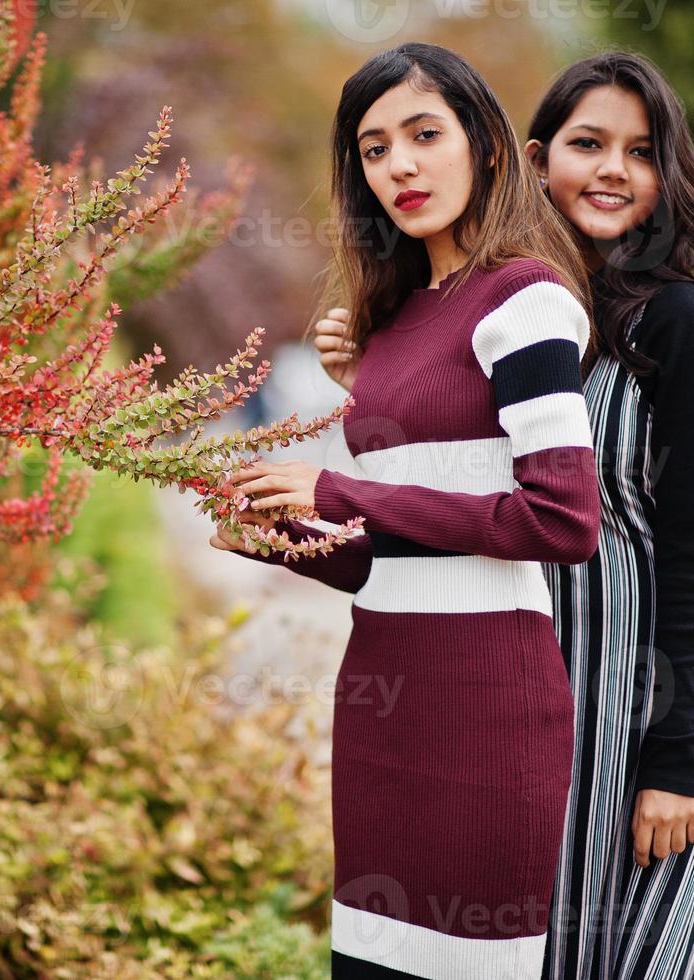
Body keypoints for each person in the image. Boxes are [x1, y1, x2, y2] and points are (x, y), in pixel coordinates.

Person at [210, 42, 600, 978]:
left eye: (424, 135)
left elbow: (560, 521)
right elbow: (386, 550)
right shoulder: (386, 331)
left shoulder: (526, 302)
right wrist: (288, 537)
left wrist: (334, 488)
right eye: (374, 149)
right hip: (383, 702)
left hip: (484, 706)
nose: (400, 166)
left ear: (489, 149)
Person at [520, 51, 694, 979]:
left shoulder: (677, 325)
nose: (613, 169)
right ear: (539, 160)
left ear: (666, 176)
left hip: (653, 697)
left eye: (641, 150)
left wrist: (675, 760)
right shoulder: (511, 317)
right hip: (546, 696)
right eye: (589, 144)